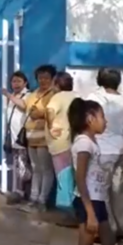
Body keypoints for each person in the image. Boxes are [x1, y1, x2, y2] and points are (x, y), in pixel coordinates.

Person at [69, 98, 120, 245]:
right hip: (88, 201)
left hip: (97, 200)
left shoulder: (90, 142)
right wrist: (89, 211)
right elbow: (80, 178)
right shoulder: (83, 143)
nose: (105, 121)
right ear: (90, 119)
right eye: (102, 116)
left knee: (108, 240)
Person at [86, 68, 123, 243]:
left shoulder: (94, 98)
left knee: (101, 191)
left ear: (99, 80)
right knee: (121, 191)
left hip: (103, 149)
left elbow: (87, 122)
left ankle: (109, 230)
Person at [21, 65, 57, 212]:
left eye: (46, 78)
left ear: (53, 79)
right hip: (31, 136)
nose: (43, 81)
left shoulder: (54, 94)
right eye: (40, 78)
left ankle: (42, 200)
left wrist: (41, 114)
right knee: (36, 168)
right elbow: (26, 109)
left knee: (46, 169)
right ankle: (33, 198)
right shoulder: (33, 94)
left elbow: (56, 113)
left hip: (45, 137)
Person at [46, 72, 77, 214]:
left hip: (60, 144)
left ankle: (67, 210)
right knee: (72, 177)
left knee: (63, 177)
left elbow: (50, 110)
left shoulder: (57, 97)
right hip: (74, 142)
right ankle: (74, 209)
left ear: (57, 84)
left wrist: (51, 127)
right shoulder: (76, 96)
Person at [1, 71, 30, 204]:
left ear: (25, 82)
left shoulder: (27, 95)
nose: (16, 84)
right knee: (18, 165)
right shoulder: (14, 95)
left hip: (22, 138)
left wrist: (8, 95)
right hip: (12, 136)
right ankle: (20, 191)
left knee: (23, 165)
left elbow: (24, 106)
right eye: (13, 81)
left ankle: (22, 192)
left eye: (19, 81)